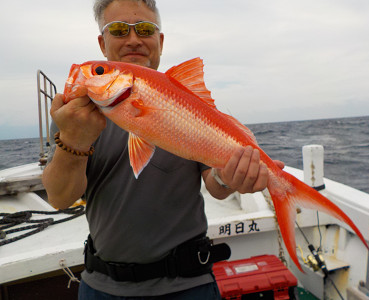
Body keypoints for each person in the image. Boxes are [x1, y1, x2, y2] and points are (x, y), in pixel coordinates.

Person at [43, 0, 283, 299]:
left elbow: (216, 185)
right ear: (102, 43)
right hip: (102, 285)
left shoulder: (192, 107)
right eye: (118, 30)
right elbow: (60, 198)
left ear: (160, 41)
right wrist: (75, 140)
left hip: (189, 284)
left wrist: (229, 178)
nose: (133, 39)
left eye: (144, 29)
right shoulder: (74, 116)